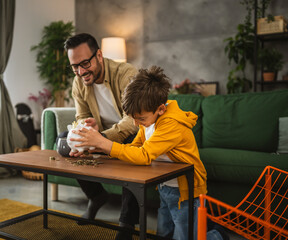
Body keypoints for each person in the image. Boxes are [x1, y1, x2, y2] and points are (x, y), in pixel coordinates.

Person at [70, 66, 225, 240]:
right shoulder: (147, 122)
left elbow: (143, 155)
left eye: (140, 119)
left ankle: (217, 235)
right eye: (133, 118)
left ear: (160, 109)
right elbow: (133, 148)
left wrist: (104, 143)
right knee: (163, 230)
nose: (136, 124)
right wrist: (97, 148)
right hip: (166, 187)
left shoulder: (171, 125)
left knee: (186, 235)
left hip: (186, 191)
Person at [63, 33, 138, 223]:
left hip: (132, 135)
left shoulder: (126, 73)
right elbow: (81, 117)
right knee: (65, 142)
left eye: (85, 64)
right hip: (102, 135)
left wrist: (101, 138)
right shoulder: (78, 82)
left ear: (99, 55)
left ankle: (126, 224)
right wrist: (87, 127)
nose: (80, 72)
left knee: (132, 148)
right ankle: (96, 196)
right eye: (74, 67)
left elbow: (133, 120)